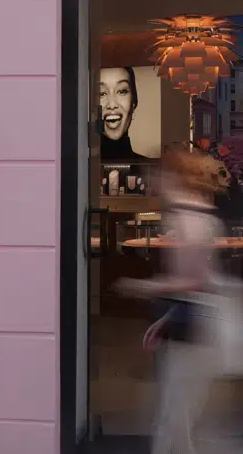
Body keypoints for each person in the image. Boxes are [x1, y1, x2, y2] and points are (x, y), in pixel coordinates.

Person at [115, 147, 228, 454]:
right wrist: (164, 319)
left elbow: (193, 281)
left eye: (158, 175)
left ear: (173, 177)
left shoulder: (187, 220)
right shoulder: (196, 215)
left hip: (190, 325)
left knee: (173, 416)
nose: (153, 181)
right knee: (178, 416)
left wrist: (143, 286)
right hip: (190, 321)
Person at [99, 66, 151, 161]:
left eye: (121, 91)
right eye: (101, 93)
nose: (112, 104)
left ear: (133, 106)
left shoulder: (154, 168)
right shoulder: (75, 165)